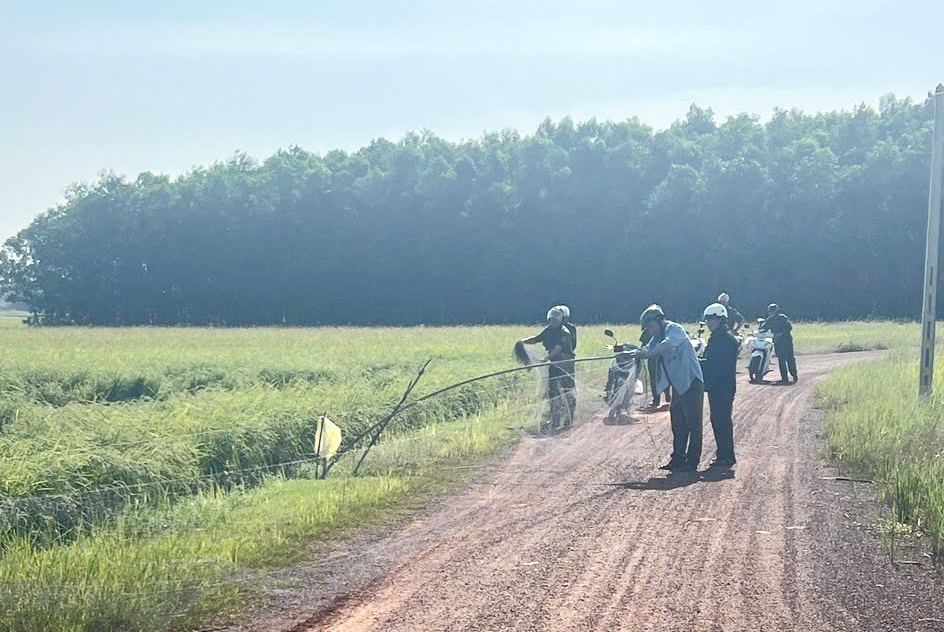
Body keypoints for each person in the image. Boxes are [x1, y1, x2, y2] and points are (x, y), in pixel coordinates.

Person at [634, 304, 705, 472]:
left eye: (651, 326)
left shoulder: (675, 329)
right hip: (678, 386)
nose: (651, 331)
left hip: (691, 382)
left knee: (693, 424)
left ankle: (692, 461)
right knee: (678, 423)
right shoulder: (657, 336)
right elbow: (647, 348)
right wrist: (631, 353)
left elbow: (666, 345)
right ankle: (678, 458)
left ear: (659, 321)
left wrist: (648, 353)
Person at [519, 308, 576, 432]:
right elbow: (537, 338)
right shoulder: (549, 330)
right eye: (551, 319)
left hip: (565, 364)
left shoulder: (564, 332)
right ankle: (555, 419)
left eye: (555, 319)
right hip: (554, 364)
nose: (553, 321)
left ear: (561, 320)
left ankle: (569, 418)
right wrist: (523, 342)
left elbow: (558, 348)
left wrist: (546, 358)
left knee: (567, 390)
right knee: (553, 391)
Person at [700, 303, 738, 468]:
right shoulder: (721, 336)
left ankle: (726, 456)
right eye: (707, 319)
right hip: (720, 385)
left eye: (712, 319)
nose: (709, 322)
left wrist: (699, 363)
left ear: (721, 319)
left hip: (722, 385)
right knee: (719, 419)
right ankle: (724, 454)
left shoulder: (723, 338)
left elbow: (716, 363)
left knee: (721, 420)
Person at [761, 303, 797, 384]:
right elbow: (764, 327)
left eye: (772, 311)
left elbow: (789, 327)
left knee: (790, 359)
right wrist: (760, 329)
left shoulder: (783, 318)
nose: (771, 312)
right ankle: (784, 378)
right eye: (770, 311)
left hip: (786, 341)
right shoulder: (770, 320)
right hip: (778, 342)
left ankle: (794, 374)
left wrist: (781, 333)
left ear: (776, 311)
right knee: (781, 360)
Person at [639, 325, 671, 408]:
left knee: (664, 376)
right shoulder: (648, 331)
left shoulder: (667, 330)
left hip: (661, 358)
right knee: (655, 378)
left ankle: (665, 394)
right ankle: (657, 398)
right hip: (652, 358)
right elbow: (644, 345)